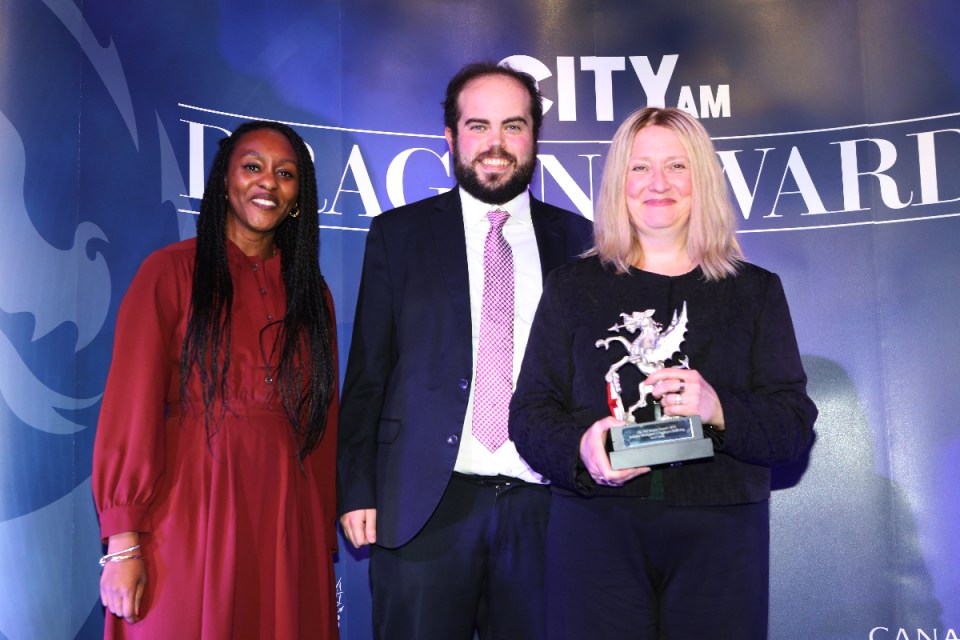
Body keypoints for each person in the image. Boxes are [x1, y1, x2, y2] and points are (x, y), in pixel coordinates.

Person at [508, 107, 818, 639]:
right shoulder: (571, 287)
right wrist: (581, 449)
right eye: (639, 168)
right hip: (595, 532)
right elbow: (531, 414)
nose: (658, 184)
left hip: (721, 538)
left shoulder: (755, 290)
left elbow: (792, 424)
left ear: (702, 179)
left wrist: (720, 411)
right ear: (617, 182)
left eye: (676, 167)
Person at [337, 61, 593, 639]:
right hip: (423, 507)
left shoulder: (583, 243)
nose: (496, 144)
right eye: (478, 126)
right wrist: (357, 489)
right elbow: (368, 376)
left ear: (534, 137)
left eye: (513, 126)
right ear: (450, 137)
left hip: (548, 510)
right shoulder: (398, 236)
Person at [93, 121, 340, 639]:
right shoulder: (169, 273)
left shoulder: (313, 297)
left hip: (285, 519)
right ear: (224, 180)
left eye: (285, 173)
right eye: (253, 167)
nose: (268, 182)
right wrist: (123, 541)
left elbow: (323, 426)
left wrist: (318, 537)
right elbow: (130, 407)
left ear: (299, 197)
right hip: (189, 512)